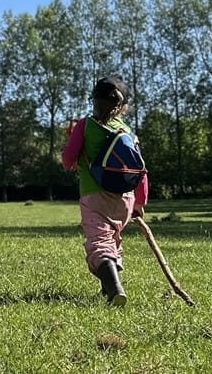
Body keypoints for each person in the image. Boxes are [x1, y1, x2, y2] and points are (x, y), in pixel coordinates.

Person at [61, 77, 149, 306]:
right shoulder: (127, 131)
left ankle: (114, 289)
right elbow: (141, 170)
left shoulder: (85, 125)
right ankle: (107, 288)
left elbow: (68, 159)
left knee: (99, 242)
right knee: (112, 241)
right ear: (123, 106)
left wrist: (74, 155)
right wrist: (139, 202)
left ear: (93, 100)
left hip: (94, 196)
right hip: (125, 199)